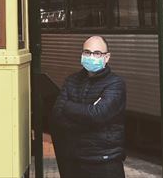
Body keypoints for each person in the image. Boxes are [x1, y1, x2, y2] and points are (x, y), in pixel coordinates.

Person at [51, 36, 126, 178]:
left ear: (107, 57)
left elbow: (97, 115)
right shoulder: (71, 80)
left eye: (97, 53)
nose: (91, 57)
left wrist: (68, 106)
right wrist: (88, 116)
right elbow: (57, 114)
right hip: (75, 160)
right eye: (87, 52)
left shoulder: (115, 84)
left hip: (104, 161)